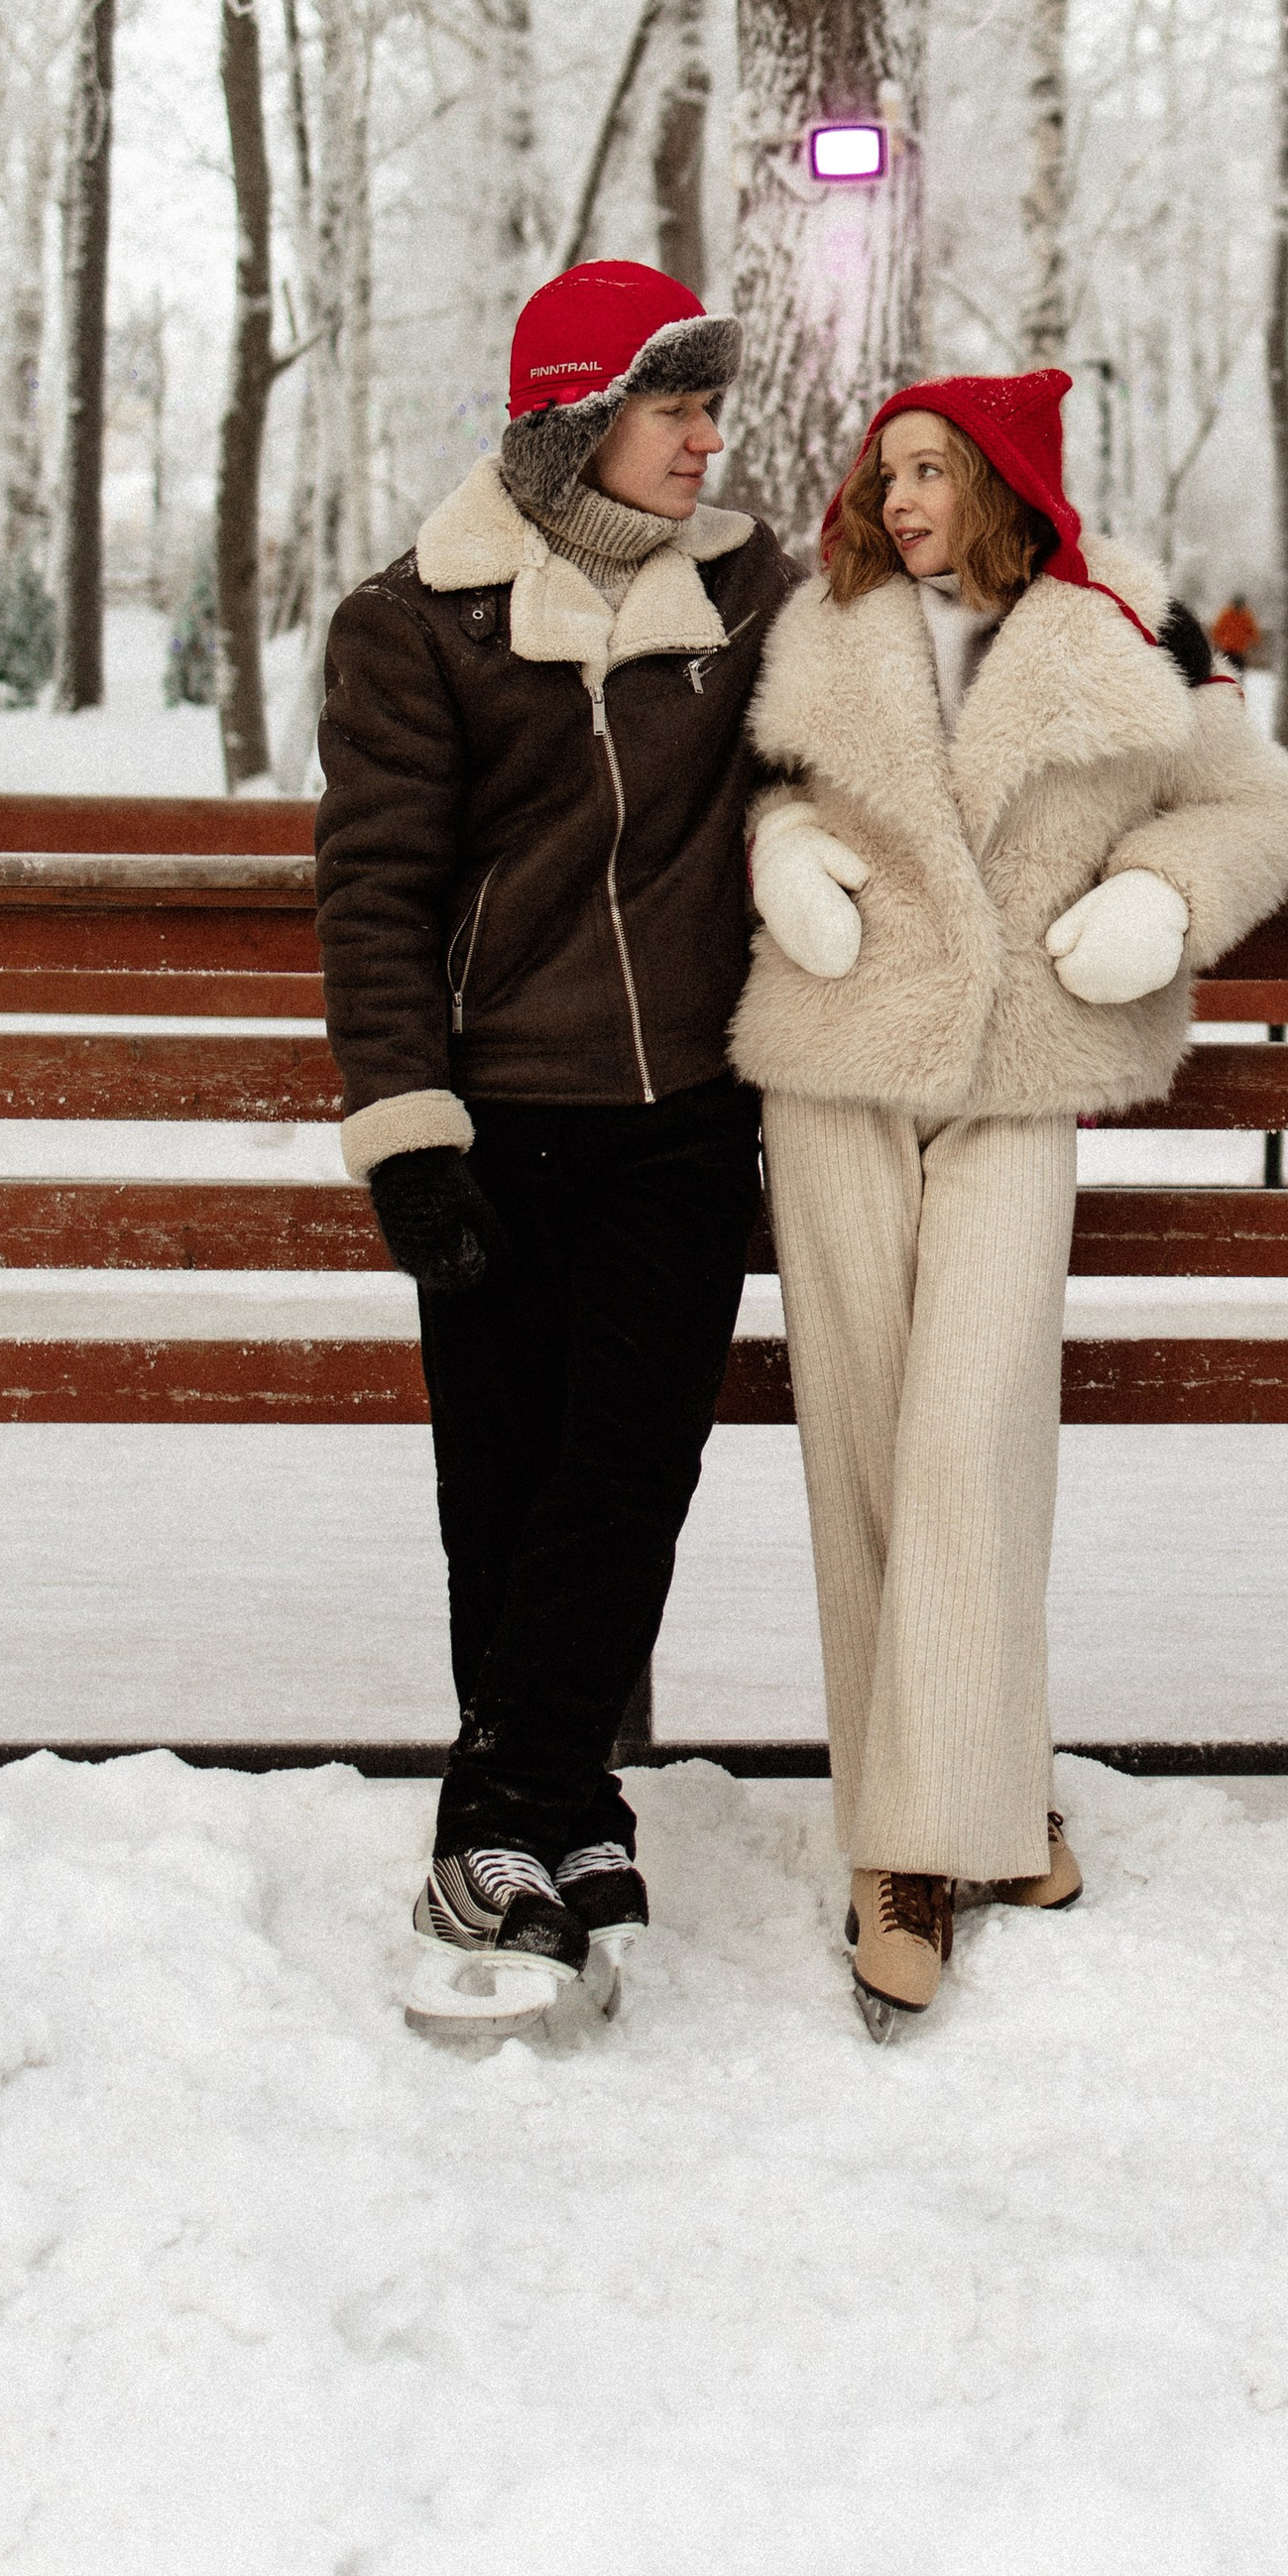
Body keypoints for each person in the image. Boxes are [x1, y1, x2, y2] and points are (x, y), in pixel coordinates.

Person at [730, 368, 1288, 2036]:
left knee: (972, 1434)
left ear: (1004, 482)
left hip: (1018, 1079)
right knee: (861, 1444)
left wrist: (1162, 892)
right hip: (835, 1067)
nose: (902, 497)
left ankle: (932, 1832)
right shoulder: (825, 629)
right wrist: (784, 851)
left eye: (933, 468)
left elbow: (1257, 807)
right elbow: (766, 791)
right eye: (886, 469)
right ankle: (941, 1833)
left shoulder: (1120, 633)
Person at [313, 258, 796, 2033]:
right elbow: (373, 892)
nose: (704, 438)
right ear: (579, 419)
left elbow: (904, 693)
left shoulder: (753, 595)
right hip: (497, 1122)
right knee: (503, 1484)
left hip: (682, 1124)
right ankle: (561, 1811)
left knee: (628, 1475)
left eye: (707, 406)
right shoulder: (415, 623)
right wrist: (406, 1133)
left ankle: (494, 1821)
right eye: (672, 407)